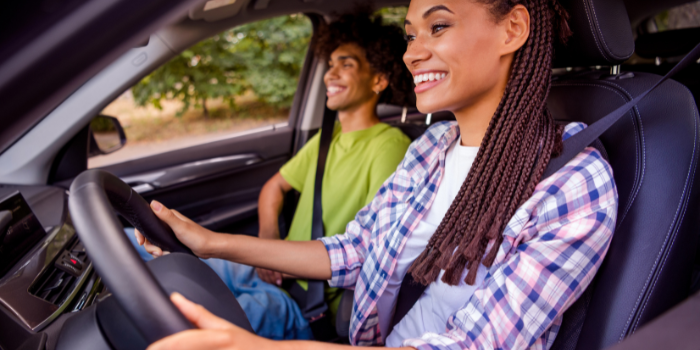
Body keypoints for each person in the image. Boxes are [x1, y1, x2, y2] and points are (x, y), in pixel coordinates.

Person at [143, 0, 619, 348]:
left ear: (512, 29)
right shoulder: (433, 147)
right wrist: (210, 242)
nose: (412, 53)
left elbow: (475, 345)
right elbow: (357, 249)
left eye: (438, 26)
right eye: (412, 34)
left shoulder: (572, 182)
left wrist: (263, 348)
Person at [129, 12, 413, 341]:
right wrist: (268, 239)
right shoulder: (328, 139)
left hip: (304, 301)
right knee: (131, 239)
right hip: (265, 268)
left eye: (346, 64)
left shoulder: (390, 146)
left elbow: (372, 248)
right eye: (330, 63)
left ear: (378, 79)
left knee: (174, 325)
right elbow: (274, 187)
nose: (329, 74)